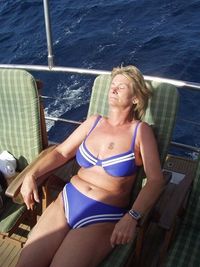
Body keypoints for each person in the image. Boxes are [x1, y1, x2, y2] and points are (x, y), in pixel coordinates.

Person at [16, 65, 164, 267]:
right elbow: (61, 152)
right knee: (25, 264)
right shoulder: (94, 122)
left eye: (122, 86)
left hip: (102, 216)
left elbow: (155, 181)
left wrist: (132, 217)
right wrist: (31, 175)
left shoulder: (140, 132)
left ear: (136, 98)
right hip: (66, 202)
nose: (113, 89)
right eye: (113, 85)